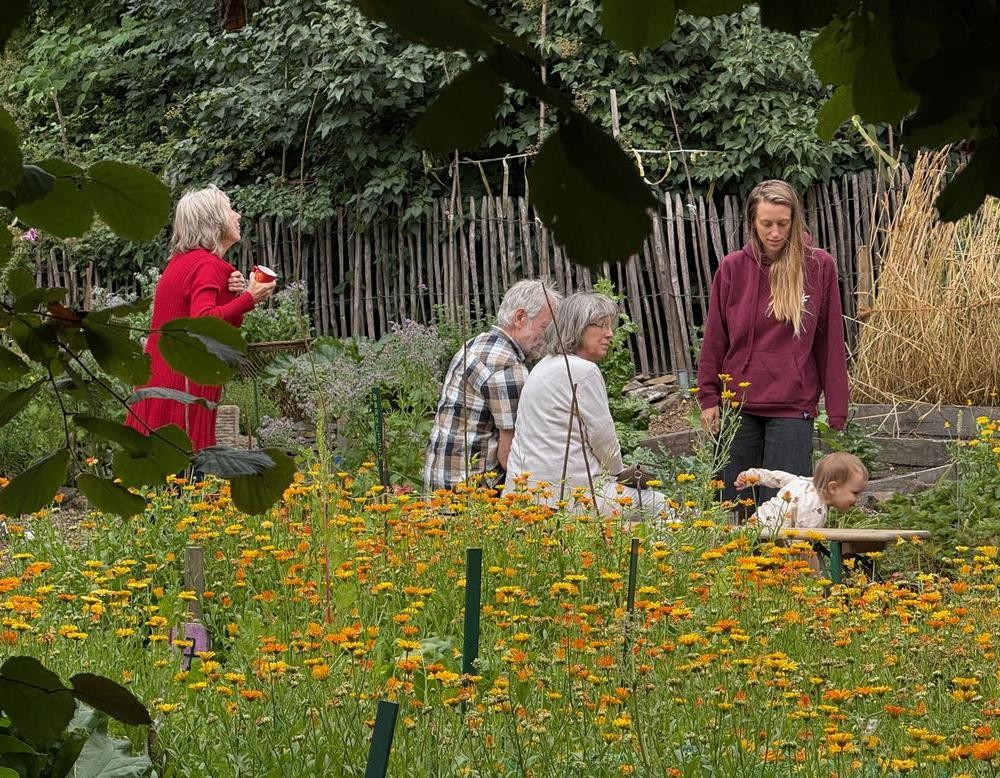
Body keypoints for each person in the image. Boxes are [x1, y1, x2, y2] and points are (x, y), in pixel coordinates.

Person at [697, 179, 849, 515]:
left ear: (795, 220)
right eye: (767, 224)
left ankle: (782, 571)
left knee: (783, 512)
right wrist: (708, 397)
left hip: (792, 407)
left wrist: (837, 407)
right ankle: (730, 569)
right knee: (732, 507)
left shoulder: (818, 266)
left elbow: (830, 342)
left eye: (783, 223)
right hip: (739, 404)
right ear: (753, 221)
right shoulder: (733, 268)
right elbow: (715, 339)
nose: (776, 232)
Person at [125, 185, 275, 450]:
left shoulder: (183, 262)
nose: (237, 216)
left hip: (162, 382)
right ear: (214, 220)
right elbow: (202, 323)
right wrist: (249, 298)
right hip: (182, 385)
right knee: (187, 473)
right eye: (230, 209)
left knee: (161, 476)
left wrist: (236, 297)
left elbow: (222, 328)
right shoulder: (206, 264)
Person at [504, 292, 666, 519]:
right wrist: (621, 474)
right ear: (577, 328)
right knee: (660, 505)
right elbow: (603, 439)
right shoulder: (583, 370)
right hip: (568, 496)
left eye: (610, 326)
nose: (609, 334)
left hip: (523, 492)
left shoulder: (542, 366)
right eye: (601, 326)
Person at [423, 279, 561, 492]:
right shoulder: (507, 365)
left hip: (440, 484)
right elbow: (510, 458)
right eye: (545, 326)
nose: (549, 336)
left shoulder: (477, 344)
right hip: (473, 495)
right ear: (520, 318)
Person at [734, 451, 868, 533]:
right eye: (855, 493)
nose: (857, 499)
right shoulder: (816, 508)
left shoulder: (801, 481)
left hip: (754, 523)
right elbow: (800, 543)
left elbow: (774, 477)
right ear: (832, 488)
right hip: (767, 535)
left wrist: (750, 476)